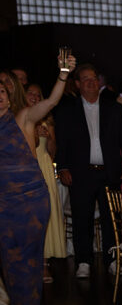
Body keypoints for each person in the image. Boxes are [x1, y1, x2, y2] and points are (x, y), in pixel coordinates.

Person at [1, 51, 74, 305]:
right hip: (3, 199)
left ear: (10, 96)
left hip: (31, 196)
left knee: (30, 252)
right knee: (9, 254)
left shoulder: (23, 118)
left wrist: (63, 74)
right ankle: (21, 304)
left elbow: (53, 100)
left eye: (3, 92)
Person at [55, 63, 122, 279]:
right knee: (82, 218)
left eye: (94, 78)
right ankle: (83, 261)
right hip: (81, 172)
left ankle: (113, 260)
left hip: (110, 171)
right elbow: (61, 141)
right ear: (78, 84)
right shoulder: (67, 110)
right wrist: (62, 167)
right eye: (86, 79)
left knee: (111, 219)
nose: (91, 82)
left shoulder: (114, 108)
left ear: (99, 83)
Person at [24, 83, 65, 282]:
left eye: (37, 94)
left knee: (46, 214)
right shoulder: (19, 119)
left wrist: (48, 138)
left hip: (45, 167)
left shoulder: (47, 121)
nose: (33, 96)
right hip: (27, 166)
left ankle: (45, 263)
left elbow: (53, 151)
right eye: (29, 93)